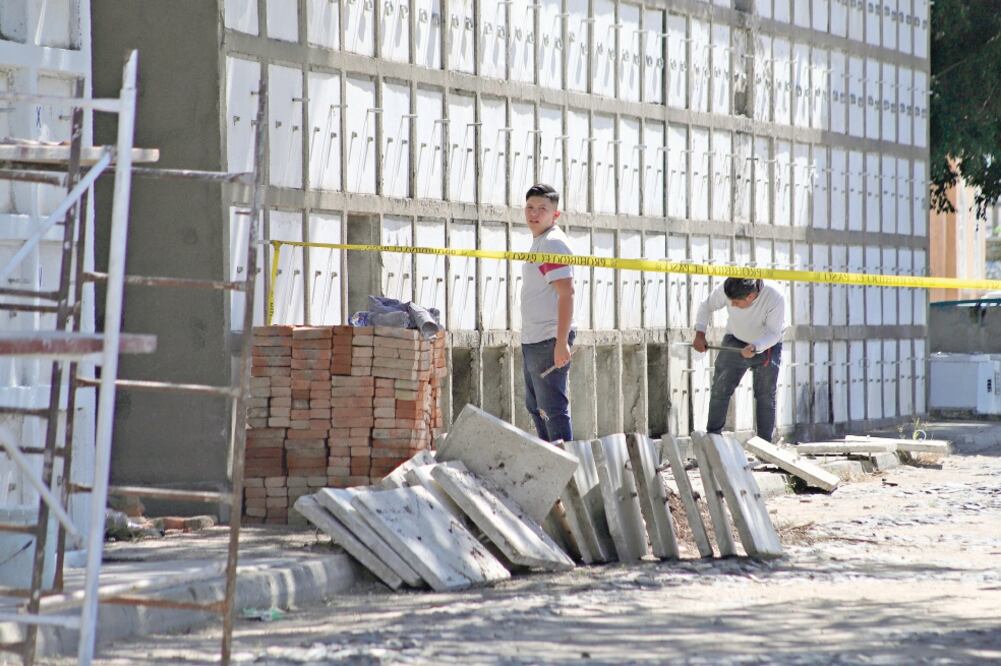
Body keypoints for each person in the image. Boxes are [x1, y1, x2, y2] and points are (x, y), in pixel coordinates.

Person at [693, 277, 785, 442]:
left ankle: (765, 446)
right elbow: (706, 306)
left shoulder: (775, 297)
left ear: (750, 296)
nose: (732, 305)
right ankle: (713, 439)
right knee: (720, 389)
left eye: (735, 302)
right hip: (735, 339)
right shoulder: (728, 288)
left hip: (767, 344)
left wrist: (756, 347)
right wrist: (700, 333)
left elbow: (773, 333)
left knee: (765, 395)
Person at [520, 183, 575, 443]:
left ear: (555, 214)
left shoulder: (552, 243)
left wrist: (561, 342)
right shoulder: (540, 242)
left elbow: (567, 293)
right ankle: (550, 465)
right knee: (537, 408)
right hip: (534, 339)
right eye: (530, 208)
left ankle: (566, 475)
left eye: (542, 209)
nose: (534, 213)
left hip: (548, 339)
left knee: (552, 410)